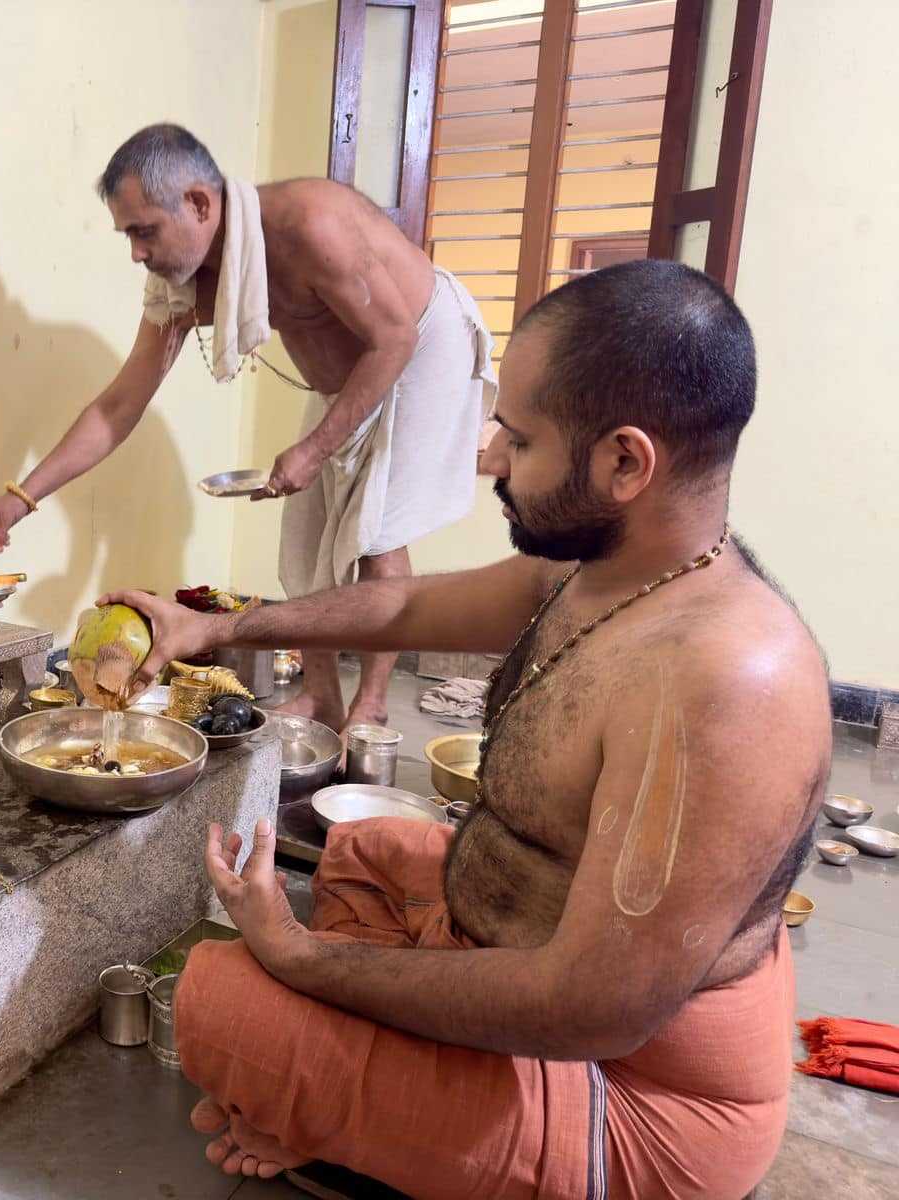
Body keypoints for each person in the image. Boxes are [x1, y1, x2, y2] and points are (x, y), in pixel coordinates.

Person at [100, 259, 828, 1199]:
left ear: (625, 462)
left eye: (518, 440)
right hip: (523, 958)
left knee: (220, 1002)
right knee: (363, 848)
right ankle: (356, 1107)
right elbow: (401, 612)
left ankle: (340, 1113)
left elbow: (585, 1012)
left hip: (634, 1102)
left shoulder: (728, 682)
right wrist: (220, 626)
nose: (489, 456)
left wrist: (302, 959)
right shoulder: (609, 571)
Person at [0, 124, 492, 731]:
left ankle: (370, 706)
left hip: (421, 344)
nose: (136, 253)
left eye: (144, 232)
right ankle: (323, 698)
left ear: (198, 204)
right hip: (346, 377)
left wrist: (313, 447)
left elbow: (394, 337)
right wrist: (23, 497)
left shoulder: (311, 224)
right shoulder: (182, 277)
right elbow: (120, 405)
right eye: (128, 236)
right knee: (304, 548)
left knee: (376, 534)